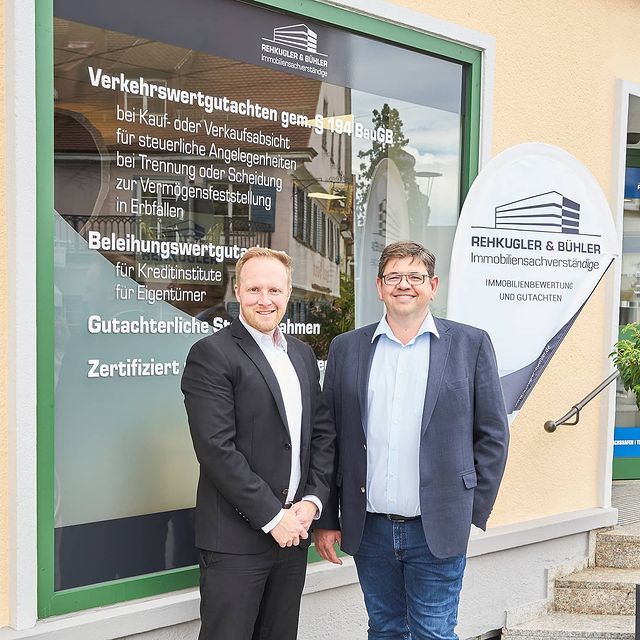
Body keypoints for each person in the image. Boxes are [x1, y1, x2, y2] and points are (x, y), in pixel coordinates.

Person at [314, 241, 509, 640]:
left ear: (432, 286)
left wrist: (468, 508)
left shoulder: (470, 345)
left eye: (415, 276)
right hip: (370, 529)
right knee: (384, 629)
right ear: (379, 286)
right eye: (394, 277)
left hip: (437, 526)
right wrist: (328, 518)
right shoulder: (346, 348)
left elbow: (492, 435)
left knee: (433, 633)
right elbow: (329, 439)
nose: (404, 285)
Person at [182, 247, 335, 640]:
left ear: (289, 293)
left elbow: (321, 434)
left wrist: (312, 501)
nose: (265, 300)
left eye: (274, 290)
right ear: (237, 291)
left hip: (294, 534)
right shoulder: (211, 354)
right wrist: (272, 516)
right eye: (254, 289)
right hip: (236, 542)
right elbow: (216, 449)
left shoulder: (301, 355)